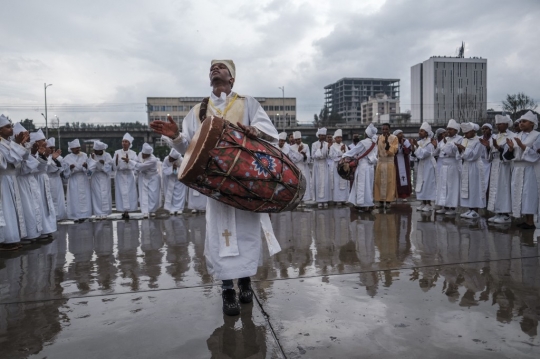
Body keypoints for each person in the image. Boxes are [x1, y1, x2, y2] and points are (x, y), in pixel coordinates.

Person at [150, 59, 280, 316]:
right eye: (212, 67)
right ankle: (227, 289)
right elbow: (187, 147)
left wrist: (253, 129)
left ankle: (244, 281)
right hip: (216, 183)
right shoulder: (200, 110)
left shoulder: (247, 103)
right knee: (219, 234)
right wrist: (176, 136)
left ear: (232, 78)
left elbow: (270, 132)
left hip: (245, 182)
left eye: (221, 67)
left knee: (246, 231)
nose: (214, 69)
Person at [505, 111, 540, 229]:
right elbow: (513, 154)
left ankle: (531, 221)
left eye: (524, 121)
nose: (521, 123)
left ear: (532, 123)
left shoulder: (537, 135)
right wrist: (510, 149)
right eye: (520, 121)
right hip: (518, 168)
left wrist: (522, 146)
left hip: (530, 168)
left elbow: (536, 154)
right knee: (518, 193)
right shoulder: (517, 136)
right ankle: (525, 219)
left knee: (529, 194)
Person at [0, 116, 29, 250]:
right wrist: (17, 145)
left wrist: (20, 145)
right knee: (6, 209)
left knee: (13, 209)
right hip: (4, 179)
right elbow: (10, 159)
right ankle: (6, 239)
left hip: (11, 179)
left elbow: (19, 160)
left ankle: (13, 237)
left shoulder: (7, 143)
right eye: (8, 127)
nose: (11, 129)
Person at [14, 123, 44, 241]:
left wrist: (33, 153)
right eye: (24, 135)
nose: (27, 137)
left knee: (33, 208)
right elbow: (20, 167)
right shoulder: (13, 148)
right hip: (19, 181)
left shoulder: (25, 147)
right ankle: (24, 235)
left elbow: (32, 165)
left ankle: (33, 233)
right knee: (25, 209)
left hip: (29, 181)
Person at [484, 115, 514, 223]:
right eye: (496, 124)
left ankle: (505, 214)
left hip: (504, 165)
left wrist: (498, 148)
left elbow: (511, 151)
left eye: (500, 124)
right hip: (495, 164)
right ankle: (497, 212)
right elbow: (492, 151)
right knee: (494, 188)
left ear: (506, 124)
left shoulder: (511, 135)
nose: (498, 126)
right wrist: (488, 148)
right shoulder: (496, 136)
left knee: (503, 188)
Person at [344, 123, 378, 211]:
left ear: (366, 134)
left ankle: (361, 204)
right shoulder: (374, 144)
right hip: (370, 168)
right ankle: (368, 203)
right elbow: (375, 157)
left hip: (363, 166)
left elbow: (353, 151)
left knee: (361, 184)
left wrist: (344, 156)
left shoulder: (363, 143)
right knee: (369, 185)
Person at [30, 129, 57, 238]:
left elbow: (46, 166)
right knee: (39, 204)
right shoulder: (31, 151)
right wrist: (41, 156)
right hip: (36, 179)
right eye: (42, 140)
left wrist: (44, 156)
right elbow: (33, 168)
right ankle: (41, 230)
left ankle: (47, 228)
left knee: (46, 204)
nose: (45, 142)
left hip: (43, 179)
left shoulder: (43, 152)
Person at [455, 122, 485, 219]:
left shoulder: (479, 140)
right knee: (467, 187)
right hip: (466, 165)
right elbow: (459, 156)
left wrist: (463, 148)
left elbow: (475, 155)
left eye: (467, 133)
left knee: (475, 188)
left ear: (473, 131)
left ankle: (475, 210)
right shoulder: (464, 140)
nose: (465, 135)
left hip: (475, 166)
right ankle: (470, 209)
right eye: (464, 133)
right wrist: (459, 149)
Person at [435, 119, 462, 215]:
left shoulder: (459, 139)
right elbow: (437, 151)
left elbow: (455, 152)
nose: (448, 131)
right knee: (443, 186)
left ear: (455, 130)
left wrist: (447, 144)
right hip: (444, 165)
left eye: (450, 129)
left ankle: (452, 207)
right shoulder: (444, 139)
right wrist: (436, 146)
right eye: (447, 129)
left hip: (453, 164)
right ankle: (444, 205)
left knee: (451, 186)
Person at [410, 122, 437, 212]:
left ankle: (429, 204)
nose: (419, 132)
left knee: (428, 183)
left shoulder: (430, 142)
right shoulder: (420, 142)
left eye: (422, 131)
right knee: (421, 183)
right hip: (422, 164)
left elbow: (425, 154)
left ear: (427, 132)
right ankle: (423, 202)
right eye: (419, 131)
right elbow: (416, 154)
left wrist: (416, 146)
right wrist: (413, 147)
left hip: (429, 164)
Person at [63, 139, 92, 221]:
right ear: (71, 149)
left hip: (83, 178)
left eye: (79, 148)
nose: (78, 149)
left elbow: (89, 170)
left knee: (84, 197)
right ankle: (75, 215)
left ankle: (85, 214)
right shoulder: (67, 158)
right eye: (76, 148)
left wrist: (86, 166)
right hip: (74, 180)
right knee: (75, 197)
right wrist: (70, 168)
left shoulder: (84, 155)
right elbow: (65, 173)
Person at [113, 133, 138, 219]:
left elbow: (136, 165)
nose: (124, 143)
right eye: (123, 141)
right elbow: (114, 166)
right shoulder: (117, 152)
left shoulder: (133, 153)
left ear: (129, 144)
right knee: (121, 193)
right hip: (120, 175)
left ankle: (128, 211)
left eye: (126, 142)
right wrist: (116, 161)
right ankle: (124, 210)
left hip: (129, 175)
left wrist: (128, 162)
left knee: (129, 193)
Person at [133, 143, 161, 218]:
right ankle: (145, 212)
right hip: (143, 177)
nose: (143, 156)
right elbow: (137, 165)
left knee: (153, 194)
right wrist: (136, 172)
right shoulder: (140, 154)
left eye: (145, 155)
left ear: (149, 154)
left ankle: (152, 211)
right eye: (143, 154)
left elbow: (140, 166)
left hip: (152, 177)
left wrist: (130, 162)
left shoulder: (153, 159)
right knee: (143, 194)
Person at [374, 123, 398, 208]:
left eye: (386, 129)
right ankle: (380, 201)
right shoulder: (379, 138)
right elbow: (376, 150)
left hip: (389, 163)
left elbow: (394, 150)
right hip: (380, 163)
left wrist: (388, 146)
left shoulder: (394, 138)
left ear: (389, 130)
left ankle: (388, 201)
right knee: (378, 182)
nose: (384, 131)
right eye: (383, 129)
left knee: (389, 182)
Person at [88, 140, 113, 219]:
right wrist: (92, 160)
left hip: (105, 177)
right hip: (96, 177)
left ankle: (105, 212)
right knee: (97, 195)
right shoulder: (92, 156)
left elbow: (110, 168)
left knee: (105, 194)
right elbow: (90, 169)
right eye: (94, 150)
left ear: (101, 150)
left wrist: (103, 163)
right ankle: (98, 213)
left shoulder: (108, 155)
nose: (95, 151)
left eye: (97, 150)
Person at [46, 137, 68, 221]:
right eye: (50, 148)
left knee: (59, 198)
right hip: (49, 179)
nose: (52, 150)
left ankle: (60, 215)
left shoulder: (59, 158)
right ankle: (52, 216)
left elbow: (63, 168)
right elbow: (50, 168)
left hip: (57, 180)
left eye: (53, 148)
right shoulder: (46, 157)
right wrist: (53, 159)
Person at [162, 148, 187, 214]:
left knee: (179, 194)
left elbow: (184, 171)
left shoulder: (181, 160)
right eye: (169, 157)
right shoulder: (166, 159)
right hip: (169, 178)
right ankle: (171, 208)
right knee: (170, 193)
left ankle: (179, 208)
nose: (169, 159)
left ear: (175, 159)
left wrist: (176, 169)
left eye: (171, 159)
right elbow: (164, 170)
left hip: (179, 180)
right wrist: (172, 168)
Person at [290, 131, 312, 204]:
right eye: (296, 140)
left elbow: (308, 158)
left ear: (301, 139)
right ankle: (297, 200)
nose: (298, 141)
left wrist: (304, 155)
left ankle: (305, 199)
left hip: (304, 167)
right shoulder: (291, 148)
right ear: (294, 140)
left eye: (299, 139)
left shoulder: (306, 146)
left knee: (305, 182)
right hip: (296, 167)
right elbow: (293, 159)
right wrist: (299, 152)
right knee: (297, 183)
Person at [311, 128, 331, 208]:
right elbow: (313, 156)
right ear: (318, 136)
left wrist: (328, 148)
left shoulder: (327, 144)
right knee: (318, 182)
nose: (322, 137)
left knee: (325, 182)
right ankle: (319, 201)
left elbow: (329, 155)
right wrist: (320, 149)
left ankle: (325, 200)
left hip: (325, 165)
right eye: (321, 135)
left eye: (324, 135)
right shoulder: (314, 144)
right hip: (317, 165)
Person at [328, 129, 349, 204]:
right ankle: (337, 200)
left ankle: (344, 199)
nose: (340, 139)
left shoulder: (344, 145)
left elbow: (347, 155)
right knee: (336, 182)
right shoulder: (332, 147)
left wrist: (343, 153)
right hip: (336, 166)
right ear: (335, 138)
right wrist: (341, 152)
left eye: (340, 137)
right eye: (338, 137)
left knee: (344, 181)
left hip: (343, 166)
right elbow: (332, 156)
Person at [393, 129, 412, 200]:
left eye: (402, 133)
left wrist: (403, 145)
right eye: (400, 134)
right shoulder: (393, 142)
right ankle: (396, 194)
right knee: (396, 177)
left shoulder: (405, 141)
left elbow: (409, 150)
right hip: (396, 161)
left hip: (404, 161)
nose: (401, 135)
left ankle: (404, 195)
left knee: (405, 178)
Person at [480, 123, 494, 195]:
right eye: (483, 129)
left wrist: (489, 147)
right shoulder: (479, 139)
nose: (484, 130)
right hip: (482, 162)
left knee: (490, 181)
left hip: (492, 162)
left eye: (486, 128)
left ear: (490, 130)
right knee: (482, 181)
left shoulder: (494, 138)